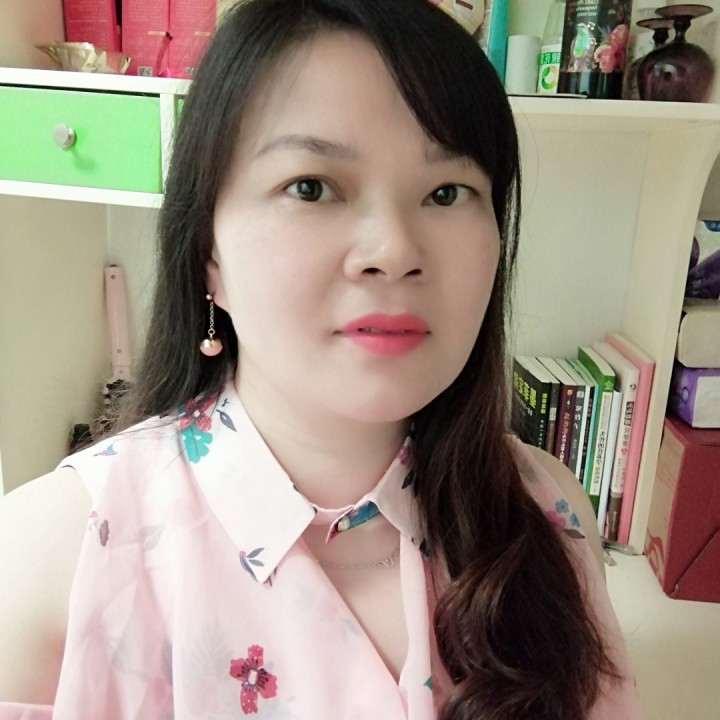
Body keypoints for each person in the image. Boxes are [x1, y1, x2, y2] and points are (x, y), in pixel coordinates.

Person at [0, 0, 644, 717]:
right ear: (208, 253)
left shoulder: (549, 511)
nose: (393, 251)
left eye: (447, 192)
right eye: (310, 187)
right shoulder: (48, 559)